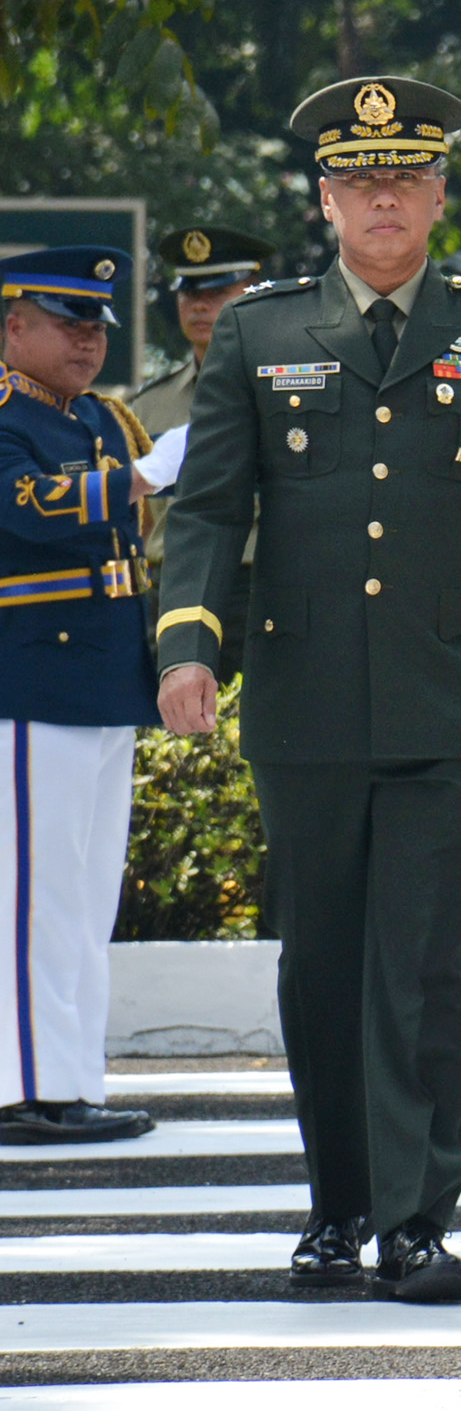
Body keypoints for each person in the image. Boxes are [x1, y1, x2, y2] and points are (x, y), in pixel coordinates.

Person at [155, 75, 461, 1303]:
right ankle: (335, 1208)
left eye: (406, 178)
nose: (383, 198)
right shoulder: (260, 330)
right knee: (322, 966)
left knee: (424, 964)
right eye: (360, 179)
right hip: (303, 702)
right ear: (326, 197)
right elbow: (208, 509)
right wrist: (190, 644)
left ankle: (413, 1220)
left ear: (440, 193)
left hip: (447, 702)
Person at [0, 246, 161, 1148]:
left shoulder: (100, 420)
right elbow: (25, 503)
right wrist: (134, 480)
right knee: (31, 897)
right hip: (29, 680)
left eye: (96, 325)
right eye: (68, 323)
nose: (88, 341)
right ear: (13, 325)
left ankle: (69, 1078)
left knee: (86, 893)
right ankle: (23, 1087)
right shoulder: (8, 417)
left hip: (100, 680)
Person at [131, 227, 275, 680]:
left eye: (218, 289)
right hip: (169, 586)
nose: (199, 304)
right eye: (189, 290)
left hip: (260, 585)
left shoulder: (287, 393)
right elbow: (144, 521)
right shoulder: (148, 405)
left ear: (252, 290)